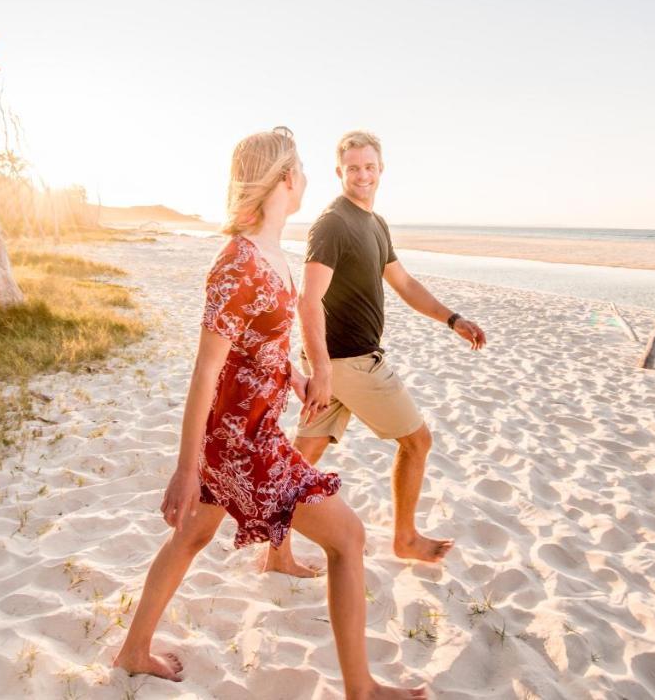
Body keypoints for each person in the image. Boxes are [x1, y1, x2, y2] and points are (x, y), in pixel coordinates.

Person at [113, 127, 426, 700]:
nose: (306, 176)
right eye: (302, 168)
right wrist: (186, 469)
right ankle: (362, 690)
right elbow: (206, 372)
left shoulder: (274, 256)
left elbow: (263, 349)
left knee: (191, 537)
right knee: (349, 539)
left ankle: (133, 651)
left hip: (242, 435)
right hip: (243, 445)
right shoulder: (236, 264)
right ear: (285, 179)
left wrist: (298, 376)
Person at [264, 130, 487, 577]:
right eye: (353, 168)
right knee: (417, 441)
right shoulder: (333, 224)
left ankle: (276, 554)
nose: (362, 175)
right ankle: (404, 538)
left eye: (369, 167)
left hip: (336, 366)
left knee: (300, 460)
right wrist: (323, 371)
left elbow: (403, 284)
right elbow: (309, 300)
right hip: (350, 364)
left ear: (381, 169)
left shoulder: (374, 224)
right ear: (339, 172)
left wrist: (451, 318)